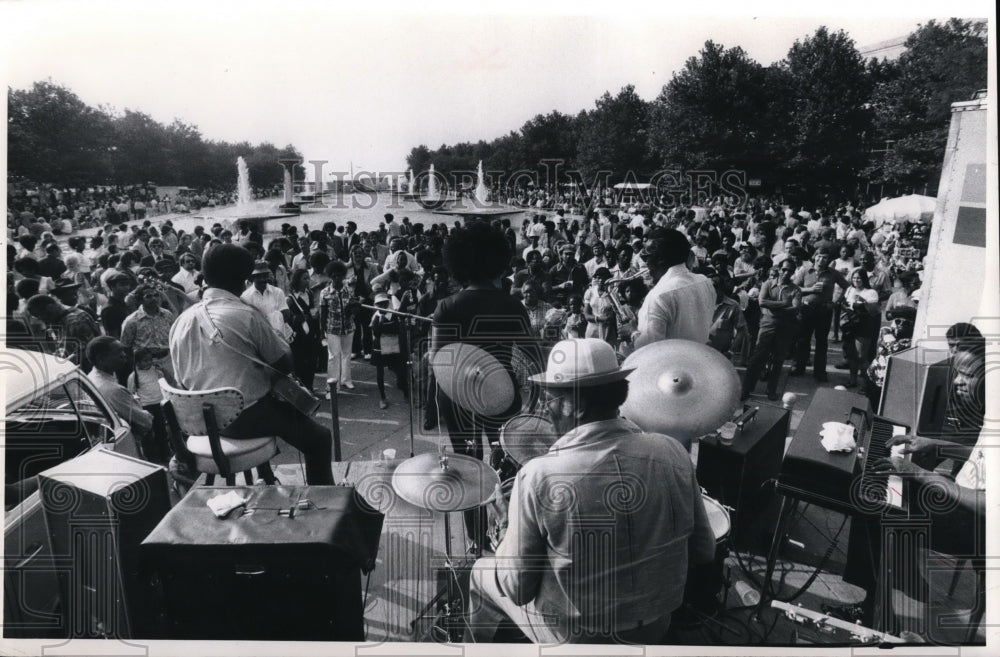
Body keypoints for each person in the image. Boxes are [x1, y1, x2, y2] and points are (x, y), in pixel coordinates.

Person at [468, 338, 716, 643]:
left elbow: (517, 589)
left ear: (577, 405)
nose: (544, 408)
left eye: (550, 398)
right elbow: (705, 552)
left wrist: (505, 529)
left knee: (480, 572)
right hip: (656, 625)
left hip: (579, 638)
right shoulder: (673, 451)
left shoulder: (539, 475)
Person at [169, 243, 334, 485]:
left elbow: (181, 379)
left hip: (199, 421)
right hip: (241, 418)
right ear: (244, 279)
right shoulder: (246, 314)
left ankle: (263, 474)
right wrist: (275, 333)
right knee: (320, 438)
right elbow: (285, 364)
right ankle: (326, 503)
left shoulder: (181, 321)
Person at [430, 222, 541, 554]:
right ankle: (506, 533)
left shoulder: (446, 307)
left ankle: (476, 539)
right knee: (506, 462)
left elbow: (439, 361)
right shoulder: (513, 305)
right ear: (499, 262)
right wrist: (530, 406)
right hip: (501, 392)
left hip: (457, 396)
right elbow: (535, 360)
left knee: (467, 465)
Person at [633, 229, 715, 348]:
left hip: (670, 364)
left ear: (660, 259)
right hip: (699, 361)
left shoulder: (657, 296)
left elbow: (648, 349)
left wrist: (632, 333)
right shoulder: (705, 281)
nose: (645, 263)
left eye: (646, 257)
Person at [85, 337, 156, 459]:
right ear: (101, 359)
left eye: (123, 351)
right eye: (117, 353)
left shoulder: (91, 377)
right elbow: (146, 421)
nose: (124, 355)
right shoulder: (114, 390)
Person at [740, 262, 802, 401]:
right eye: (784, 269)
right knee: (757, 358)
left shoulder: (795, 289)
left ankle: (771, 390)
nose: (786, 273)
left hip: (785, 327)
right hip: (767, 325)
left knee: (778, 359)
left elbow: (796, 308)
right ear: (779, 270)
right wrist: (784, 304)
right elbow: (762, 302)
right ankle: (746, 389)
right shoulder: (768, 284)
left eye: (790, 271)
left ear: (793, 273)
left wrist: (773, 307)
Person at [26, 294, 102, 372]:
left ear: (50, 307)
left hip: (91, 370)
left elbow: (85, 351)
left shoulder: (74, 321)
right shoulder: (58, 320)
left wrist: (60, 366)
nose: (41, 319)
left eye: (40, 315)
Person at [127, 347, 174, 465]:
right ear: (137, 363)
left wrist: (163, 369)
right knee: (147, 435)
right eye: (145, 360)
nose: (149, 362)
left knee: (161, 431)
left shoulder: (156, 371)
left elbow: (169, 380)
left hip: (159, 404)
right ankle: (152, 458)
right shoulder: (134, 376)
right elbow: (131, 393)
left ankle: (165, 454)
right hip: (146, 407)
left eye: (150, 360)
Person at [319, 260, 359, 397]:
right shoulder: (324, 292)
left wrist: (353, 309)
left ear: (343, 276)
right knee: (333, 356)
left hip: (348, 327)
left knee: (347, 354)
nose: (337, 278)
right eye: (334, 276)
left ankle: (346, 379)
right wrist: (321, 331)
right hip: (332, 329)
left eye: (340, 276)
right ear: (330, 276)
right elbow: (323, 314)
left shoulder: (349, 290)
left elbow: (354, 309)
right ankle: (331, 387)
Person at [120, 283, 176, 379]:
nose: (154, 299)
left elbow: (174, 337)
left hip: (168, 359)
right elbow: (126, 347)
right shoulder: (132, 321)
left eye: (156, 295)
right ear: (140, 300)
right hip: (146, 364)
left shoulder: (167, 315)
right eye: (148, 296)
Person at [840, 268, 880, 388]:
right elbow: (844, 303)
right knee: (851, 354)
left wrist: (861, 301)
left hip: (864, 325)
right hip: (850, 324)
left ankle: (867, 384)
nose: (856, 280)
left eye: (859, 278)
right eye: (854, 278)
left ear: (864, 279)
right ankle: (852, 381)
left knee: (862, 356)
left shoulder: (871, 292)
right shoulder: (849, 289)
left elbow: (873, 310)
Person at [284, 267, 321, 391]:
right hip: (298, 335)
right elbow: (288, 318)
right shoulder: (290, 299)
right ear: (297, 280)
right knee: (300, 362)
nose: (307, 281)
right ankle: (303, 389)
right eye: (304, 278)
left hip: (311, 332)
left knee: (312, 360)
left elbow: (312, 309)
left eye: (308, 278)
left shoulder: (309, 293)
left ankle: (310, 386)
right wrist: (300, 318)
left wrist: (314, 314)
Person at [370, 292, 407, 409]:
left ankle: (407, 394)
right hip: (379, 347)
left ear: (387, 304)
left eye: (384, 304)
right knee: (380, 373)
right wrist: (380, 322)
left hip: (393, 345)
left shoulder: (393, 315)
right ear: (376, 305)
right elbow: (376, 332)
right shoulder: (375, 317)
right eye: (379, 304)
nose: (381, 306)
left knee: (401, 370)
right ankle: (382, 397)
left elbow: (398, 329)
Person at [241, 261, 290, 339]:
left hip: (279, 337)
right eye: (258, 276)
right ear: (252, 277)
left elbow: (286, 315)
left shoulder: (277, 292)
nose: (262, 279)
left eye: (265, 276)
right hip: (259, 338)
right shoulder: (245, 297)